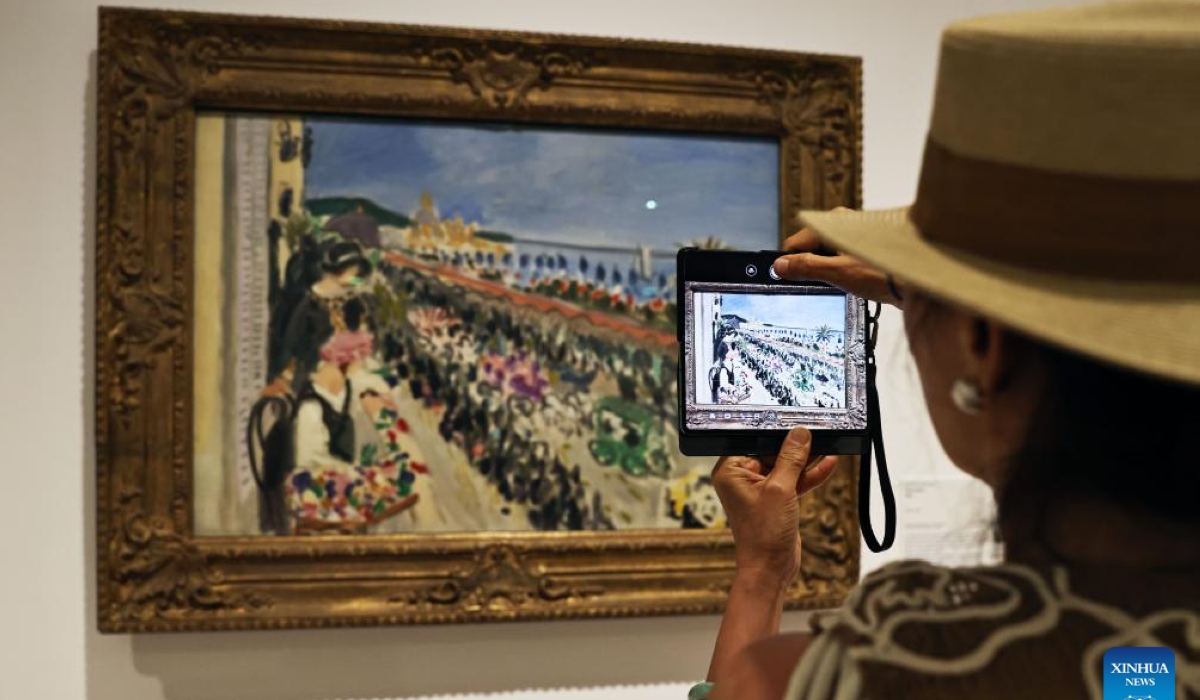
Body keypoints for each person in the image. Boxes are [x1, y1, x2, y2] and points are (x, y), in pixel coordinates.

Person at [698, 4, 1200, 699]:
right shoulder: (1151, 666)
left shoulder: (891, 670)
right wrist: (951, 302)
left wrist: (762, 568)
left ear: (983, 346)